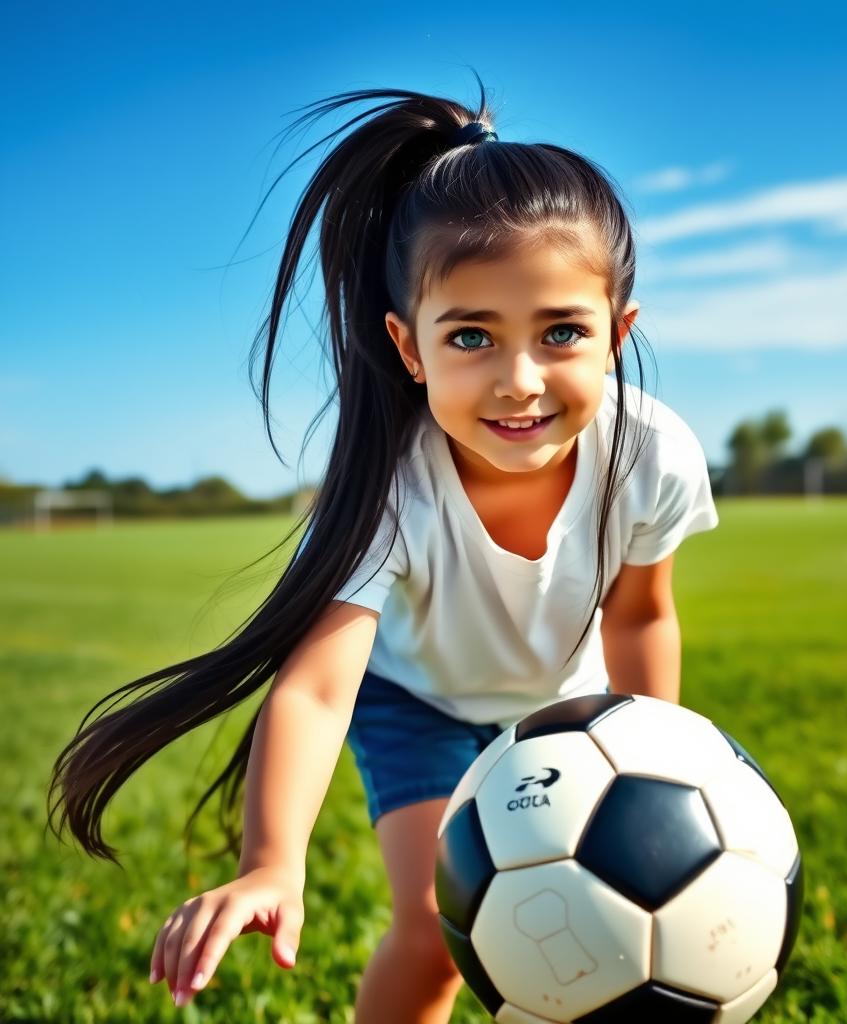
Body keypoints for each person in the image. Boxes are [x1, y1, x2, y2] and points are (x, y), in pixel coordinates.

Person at [45, 73, 719, 1023]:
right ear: (410, 349)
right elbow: (320, 685)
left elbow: (643, 612)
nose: (519, 381)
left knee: (604, 923)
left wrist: (656, 762)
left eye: (562, 331)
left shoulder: (652, 452)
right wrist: (272, 862)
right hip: (417, 705)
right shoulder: (391, 486)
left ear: (618, 334)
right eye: (473, 335)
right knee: (442, 929)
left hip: (571, 705)